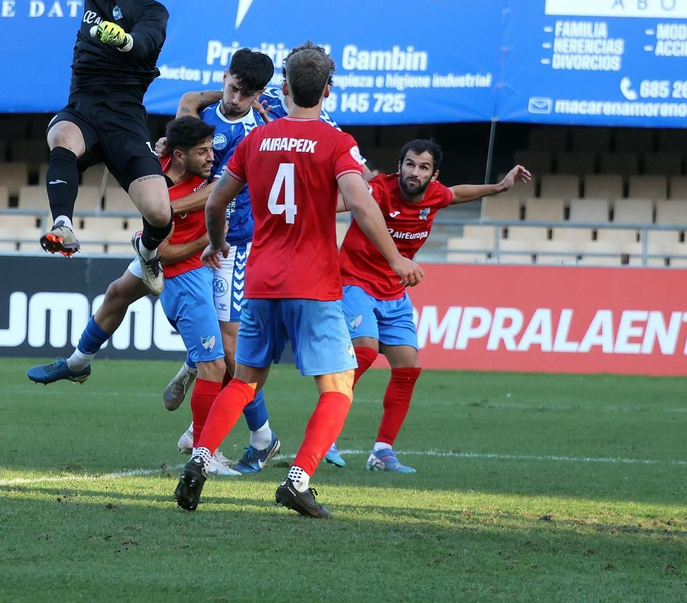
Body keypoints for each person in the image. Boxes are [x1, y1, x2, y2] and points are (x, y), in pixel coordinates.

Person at [174, 43, 424, 519]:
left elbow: (213, 203)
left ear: (283, 89)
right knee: (337, 388)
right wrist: (394, 258)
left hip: (262, 279)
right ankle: (298, 479)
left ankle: (200, 459)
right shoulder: (336, 142)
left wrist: (213, 242)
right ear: (327, 91)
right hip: (313, 284)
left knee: (244, 380)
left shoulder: (255, 140)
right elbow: (362, 201)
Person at [26, 117, 243, 477]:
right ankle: (206, 451)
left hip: (170, 263)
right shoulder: (159, 196)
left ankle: (79, 363)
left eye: (210, 149)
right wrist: (208, 240)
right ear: (179, 155)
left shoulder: (166, 165)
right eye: (202, 151)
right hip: (183, 274)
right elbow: (166, 255)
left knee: (115, 295)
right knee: (217, 364)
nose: (211, 156)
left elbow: (190, 108)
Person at [0, 0, 172, 294]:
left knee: (160, 214)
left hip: (126, 120)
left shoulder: (153, 10)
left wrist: (123, 40)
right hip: (84, 108)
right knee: (62, 134)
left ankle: (146, 254)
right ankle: (63, 225)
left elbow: (147, 41)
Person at [333, 140, 531, 472]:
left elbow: (458, 194)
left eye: (423, 167)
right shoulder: (377, 191)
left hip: (394, 291)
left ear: (433, 174)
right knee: (365, 352)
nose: (414, 172)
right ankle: (328, 434)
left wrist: (500, 186)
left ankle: (382, 452)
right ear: (400, 166)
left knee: (408, 367)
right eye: (409, 164)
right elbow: (341, 202)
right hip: (355, 281)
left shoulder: (435, 195)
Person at [161, 49, 283, 473]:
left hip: (235, 247)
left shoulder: (266, 126)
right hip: (199, 243)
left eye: (246, 93)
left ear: (260, 93)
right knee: (222, 350)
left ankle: (217, 436)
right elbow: (190, 100)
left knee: (230, 351)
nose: (235, 98)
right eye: (231, 87)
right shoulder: (199, 114)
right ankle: (247, 432)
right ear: (225, 77)